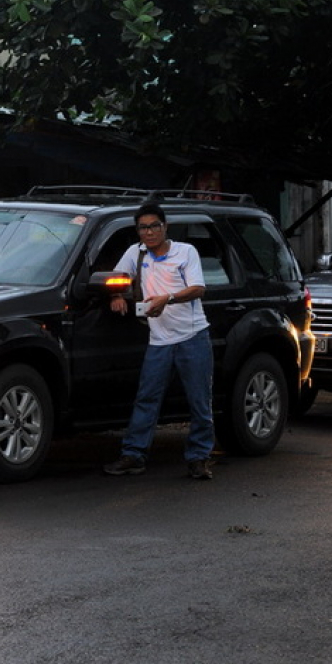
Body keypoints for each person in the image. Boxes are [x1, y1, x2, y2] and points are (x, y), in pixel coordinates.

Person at [102, 202, 215, 480]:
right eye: (143, 227)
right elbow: (116, 278)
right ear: (138, 231)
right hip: (159, 339)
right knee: (147, 398)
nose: (149, 232)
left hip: (193, 336)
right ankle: (134, 455)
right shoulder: (136, 253)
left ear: (165, 227)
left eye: (154, 226)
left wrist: (168, 298)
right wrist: (117, 296)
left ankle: (199, 458)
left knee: (199, 400)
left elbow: (199, 288)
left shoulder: (185, 252)